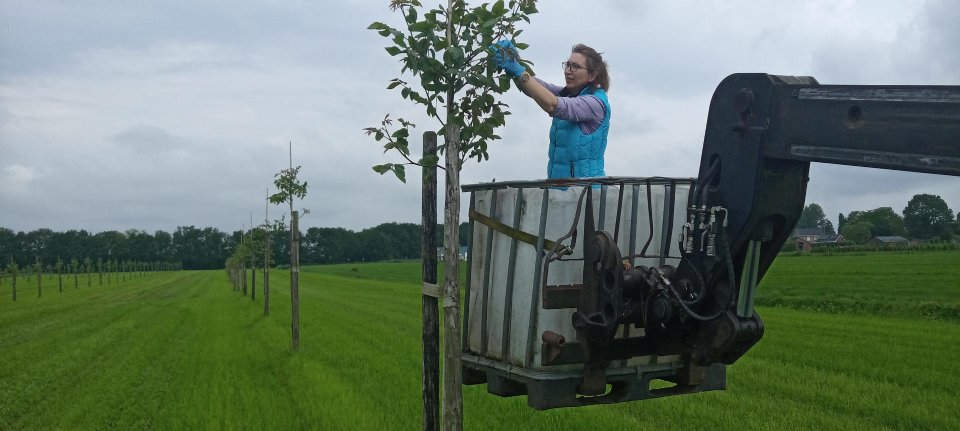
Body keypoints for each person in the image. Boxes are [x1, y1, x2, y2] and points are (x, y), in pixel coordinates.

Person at [490, 41, 611, 179]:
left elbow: (552, 104)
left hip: (586, 189)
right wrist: (517, 64)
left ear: (592, 75)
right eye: (567, 65)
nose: (568, 71)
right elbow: (538, 89)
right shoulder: (569, 94)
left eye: (575, 67)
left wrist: (518, 70)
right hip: (560, 186)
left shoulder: (594, 103)